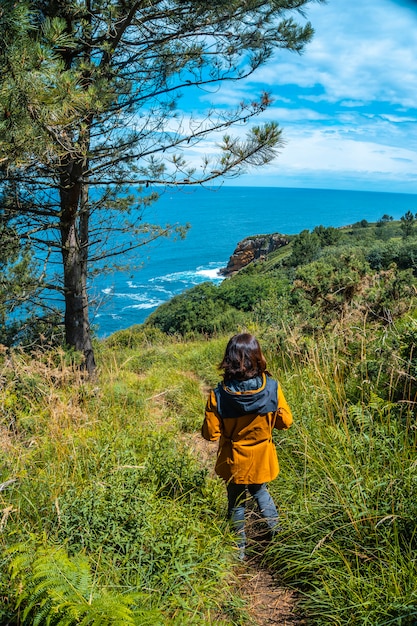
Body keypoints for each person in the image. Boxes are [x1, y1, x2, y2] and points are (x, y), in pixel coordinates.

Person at [201, 332, 293, 560]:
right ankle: (277, 536)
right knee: (260, 492)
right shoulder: (272, 388)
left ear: (229, 359)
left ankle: (238, 551)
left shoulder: (219, 395)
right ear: (257, 356)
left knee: (235, 501)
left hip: (234, 460)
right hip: (262, 457)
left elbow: (210, 434)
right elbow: (286, 422)